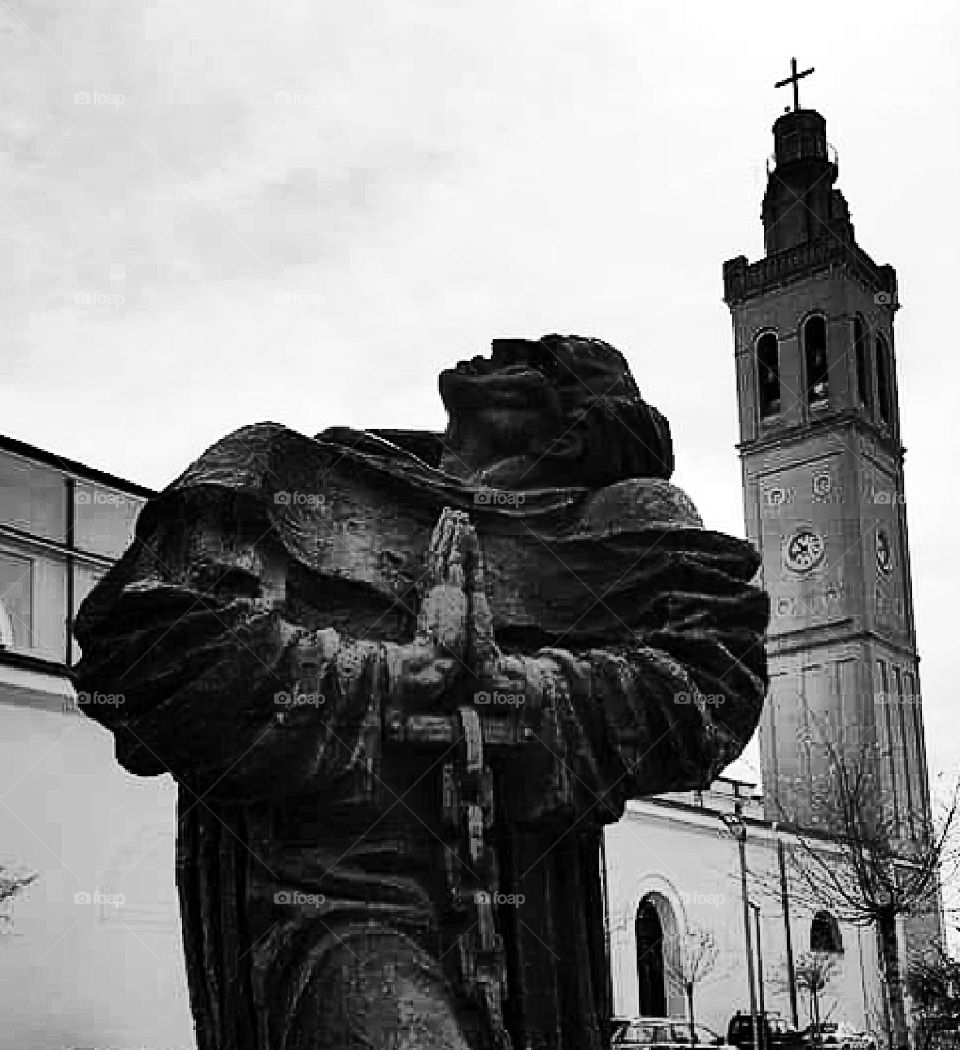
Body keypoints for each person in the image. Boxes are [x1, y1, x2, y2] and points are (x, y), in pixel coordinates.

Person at [75, 334, 769, 1049]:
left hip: (530, 941)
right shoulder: (282, 471)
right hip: (331, 908)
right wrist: (391, 678)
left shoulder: (608, 532)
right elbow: (141, 657)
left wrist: (518, 691)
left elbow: (712, 688)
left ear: (573, 431)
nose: (497, 349)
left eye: (538, 362)